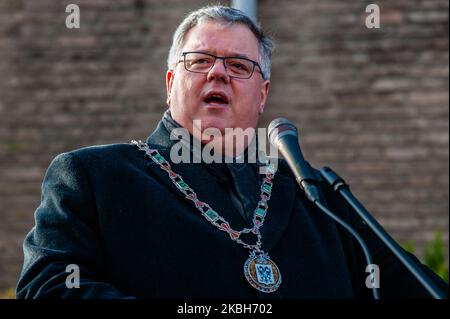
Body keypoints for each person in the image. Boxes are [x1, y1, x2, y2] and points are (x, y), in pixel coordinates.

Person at [16, 5, 447, 299]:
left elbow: (419, 288)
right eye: (199, 61)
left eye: (239, 66)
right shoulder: (94, 176)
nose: (219, 72)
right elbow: (48, 287)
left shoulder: (317, 198)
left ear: (262, 95)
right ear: (170, 84)